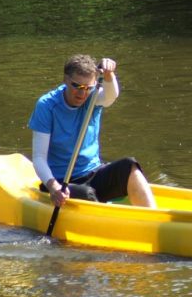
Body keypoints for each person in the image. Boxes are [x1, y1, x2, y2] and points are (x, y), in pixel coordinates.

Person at [28, 54, 156, 208]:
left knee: (129, 166)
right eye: (77, 86)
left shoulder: (93, 97)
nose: (82, 94)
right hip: (62, 181)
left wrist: (109, 75)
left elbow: (110, 97)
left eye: (88, 88)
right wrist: (53, 187)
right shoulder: (46, 106)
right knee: (87, 194)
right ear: (65, 80)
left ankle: (153, 219)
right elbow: (39, 158)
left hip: (93, 172)